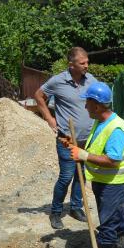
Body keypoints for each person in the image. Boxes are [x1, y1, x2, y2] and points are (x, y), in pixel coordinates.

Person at [62, 82, 124, 248]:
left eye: (88, 103)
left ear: (98, 105)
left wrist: (83, 155)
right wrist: (75, 146)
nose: (85, 106)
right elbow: (96, 146)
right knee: (118, 218)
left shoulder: (115, 128)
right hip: (105, 182)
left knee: (108, 222)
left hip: (113, 184)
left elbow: (113, 160)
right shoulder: (100, 122)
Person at [34, 46, 97, 229]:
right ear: (71, 65)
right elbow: (39, 96)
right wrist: (49, 118)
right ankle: (55, 212)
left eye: (87, 62)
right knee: (67, 176)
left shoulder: (90, 80)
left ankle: (76, 207)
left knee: (81, 175)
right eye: (82, 63)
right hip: (67, 139)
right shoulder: (58, 81)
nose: (87, 65)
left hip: (87, 139)